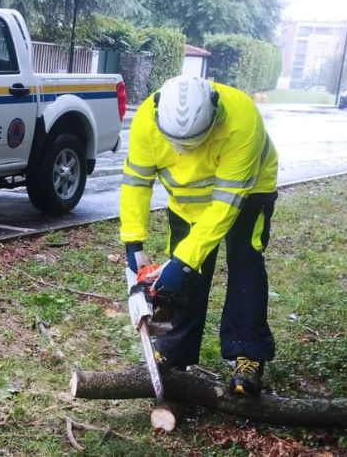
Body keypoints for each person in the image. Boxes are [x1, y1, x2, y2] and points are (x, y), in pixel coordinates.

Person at [119, 75, 278, 397]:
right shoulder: (146, 122)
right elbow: (136, 181)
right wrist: (133, 241)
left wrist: (183, 261)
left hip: (246, 190)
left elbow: (226, 204)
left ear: (214, 114)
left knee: (245, 262)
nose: (186, 151)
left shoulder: (241, 119)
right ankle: (175, 349)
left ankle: (248, 352)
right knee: (187, 274)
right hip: (186, 200)